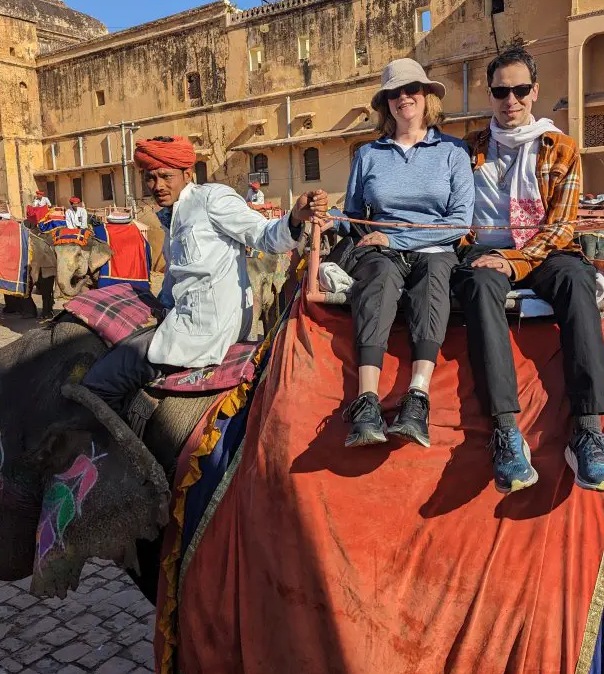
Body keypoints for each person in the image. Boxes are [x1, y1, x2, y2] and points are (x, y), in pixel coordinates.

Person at [451, 46, 604, 494]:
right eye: (501, 91)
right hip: (486, 253)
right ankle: (506, 430)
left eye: (520, 89)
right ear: (489, 94)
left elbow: (560, 226)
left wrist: (514, 260)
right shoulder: (468, 150)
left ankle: (587, 430)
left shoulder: (560, 148)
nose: (511, 100)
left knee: (577, 280)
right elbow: (451, 213)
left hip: (546, 251)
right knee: (477, 283)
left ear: (535, 91)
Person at [82, 136, 328, 416]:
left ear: (187, 174)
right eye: (150, 178)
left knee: (102, 380)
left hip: (204, 329)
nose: (158, 186)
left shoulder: (212, 199)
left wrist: (295, 217)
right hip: (189, 317)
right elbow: (178, 278)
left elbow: (263, 235)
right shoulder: (172, 215)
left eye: (165, 176)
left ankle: (115, 450)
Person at [341, 58, 474, 449]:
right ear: (386, 105)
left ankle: (417, 398)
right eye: (394, 94)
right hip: (381, 249)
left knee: (434, 280)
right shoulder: (368, 155)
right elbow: (353, 215)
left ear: (425, 96)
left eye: (411, 90)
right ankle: (366, 401)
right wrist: (329, 219)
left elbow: (460, 221)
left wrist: (396, 240)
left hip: (434, 247)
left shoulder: (453, 151)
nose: (403, 98)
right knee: (377, 279)